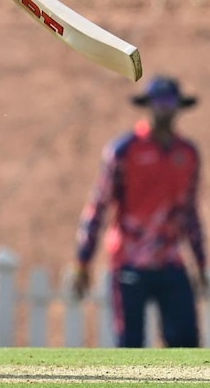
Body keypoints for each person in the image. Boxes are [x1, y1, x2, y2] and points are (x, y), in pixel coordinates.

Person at [72, 75, 207, 348]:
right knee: (130, 344)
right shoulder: (124, 151)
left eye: (169, 102)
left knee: (186, 343)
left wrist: (201, 262)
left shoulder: (187, 154)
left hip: (171, 259)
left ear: (178, 106)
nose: (164, 109)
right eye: (159, 102)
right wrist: (83, 261)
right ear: (148, 105)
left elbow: (190, 214)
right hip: (129, 260)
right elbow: (99, 205)